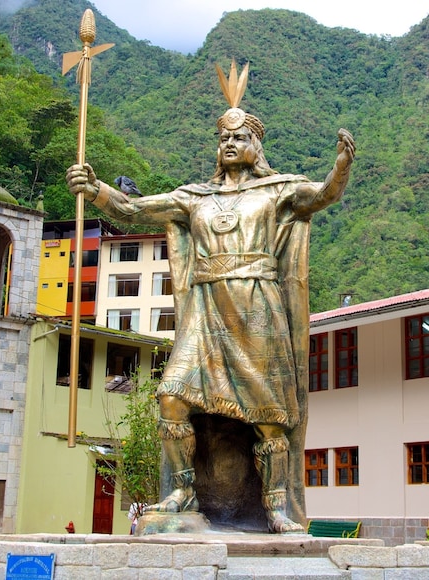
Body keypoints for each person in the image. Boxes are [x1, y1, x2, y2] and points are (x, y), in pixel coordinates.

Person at [66, 62, 354, 534]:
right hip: (204, 311)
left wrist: (340, 167)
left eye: (239, 137)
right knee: (171, 398)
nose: (230, 144)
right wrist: (95, 189)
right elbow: (134, 208)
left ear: (256, 145)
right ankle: (182, 492)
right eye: (224, 138)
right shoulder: (193, 198)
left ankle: (276, 507)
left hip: (257, 308)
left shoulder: (277, 190)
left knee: (269, 416)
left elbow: (322, 196)